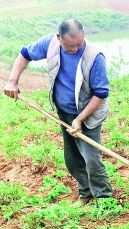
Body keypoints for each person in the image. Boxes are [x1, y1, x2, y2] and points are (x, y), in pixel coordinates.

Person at [3, 19, 112, 204]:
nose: (76, 49)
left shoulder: (95, 57)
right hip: (64, 113)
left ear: (83, 34)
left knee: (92, 158)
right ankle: (86, 194)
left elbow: (100, 94)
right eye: (70, 46)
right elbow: (24, 54)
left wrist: (79, 119)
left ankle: (104, 199)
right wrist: (13, 80)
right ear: (58, 38)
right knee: (72, 158)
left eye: (79, 43)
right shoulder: (50, 43)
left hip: (89, 115)